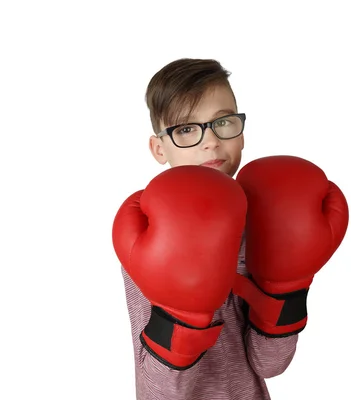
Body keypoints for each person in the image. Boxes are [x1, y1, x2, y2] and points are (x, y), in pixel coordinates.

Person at [119, 58, 299, 400]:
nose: (211, 141)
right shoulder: (147, 230)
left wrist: (287, 290)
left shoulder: (265, 221)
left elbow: (269, 365)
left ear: (242, 132)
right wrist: (181, 319)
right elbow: (162, 391)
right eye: (186, 129)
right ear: (159, 148)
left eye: (223, 121)